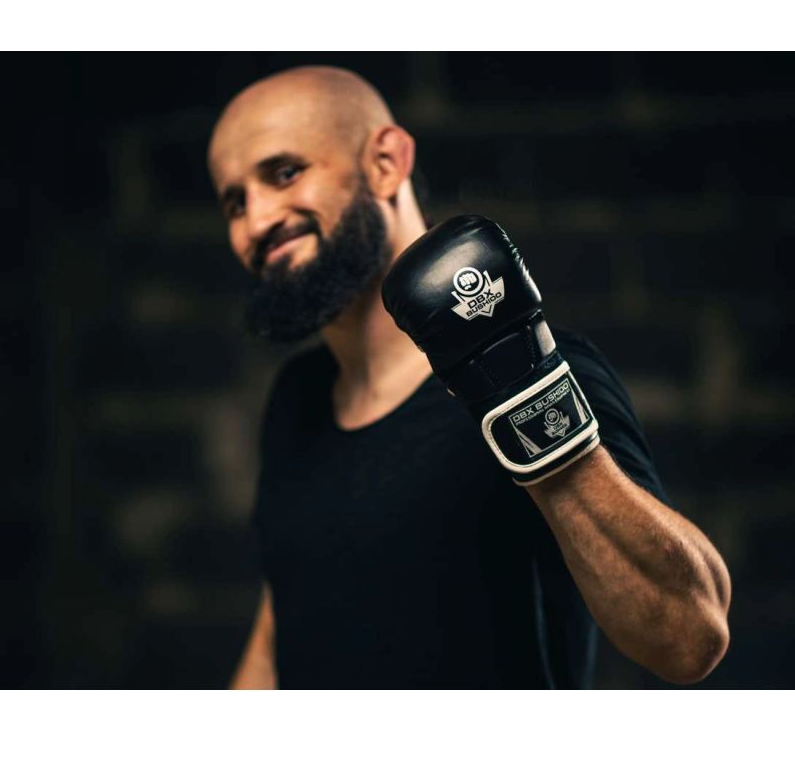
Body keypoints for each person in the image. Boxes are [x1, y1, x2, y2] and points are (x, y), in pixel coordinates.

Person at [207, 66, 731, 689]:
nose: (256, 221)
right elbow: (282, 625)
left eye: (284, 173)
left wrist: (522, 395)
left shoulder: (543, 369)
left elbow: (689, 640)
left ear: (386, 163)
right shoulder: (297, 399)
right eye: (235, 202)